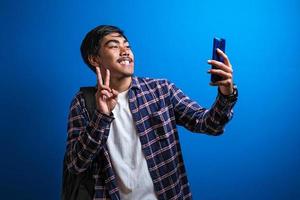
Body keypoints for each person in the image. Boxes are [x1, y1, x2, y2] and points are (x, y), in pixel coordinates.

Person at [64, 25, 238, 200]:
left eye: (127, 45)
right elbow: (76, 165)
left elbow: (209, 125)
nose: (125, 51)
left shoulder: (161, 91)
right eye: (114, 46)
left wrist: (226, 94)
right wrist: (101, 117)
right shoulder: (82, 103)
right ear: (94, 59)